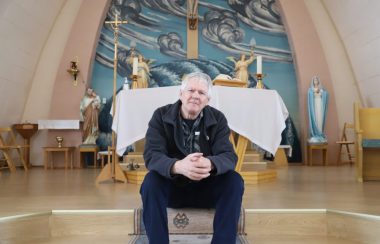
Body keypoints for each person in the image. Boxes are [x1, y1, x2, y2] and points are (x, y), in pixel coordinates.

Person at [140, 72, 244, 244]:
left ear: (207, 100)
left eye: (202, 93)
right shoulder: (160, 115)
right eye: (191, 90)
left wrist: (210, 163)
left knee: (234, 181)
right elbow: (152, 154)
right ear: (181, 94)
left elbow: (229, 156)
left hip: (206, 189)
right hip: (172, 188)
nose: (196, 96)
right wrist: (178, 166)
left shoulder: (218, 119)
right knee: (151, 182)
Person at [307, 76, 329, 143]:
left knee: (320, 118)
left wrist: (322, 92)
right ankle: (315, 133)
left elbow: (325, 94)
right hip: (314, 105)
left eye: (316, 80)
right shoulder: (311, 89)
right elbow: (309, 95)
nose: (315, 81)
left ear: (318, 81)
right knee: (315, 117)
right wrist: (313, 92)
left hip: (320, 104)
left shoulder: (321, 89)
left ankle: (319, 132)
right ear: (313, 81)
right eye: (314, 80)